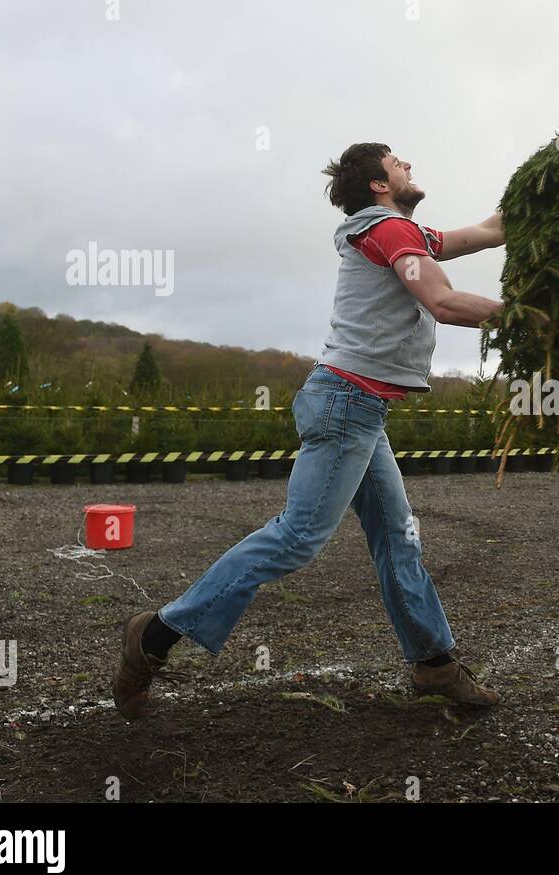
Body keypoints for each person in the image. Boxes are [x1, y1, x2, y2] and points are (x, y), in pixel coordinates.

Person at [113, 142, 511, 720]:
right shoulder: (389, 232)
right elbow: (444, 302)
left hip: (362, 411)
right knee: (298, 537)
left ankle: (434, 663)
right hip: (346, 404)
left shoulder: (407, 234)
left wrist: (550, 190)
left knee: (397, 535)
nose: (409, 165)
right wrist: (519, 315)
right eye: (398, 163)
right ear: (378, 184)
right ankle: (154, 637)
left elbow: (488, 230)